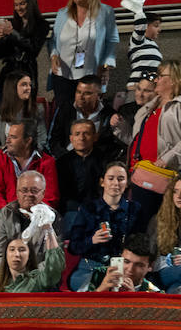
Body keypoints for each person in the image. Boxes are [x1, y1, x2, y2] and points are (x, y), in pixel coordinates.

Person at [129, 59, 181, 222]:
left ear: (176, 78)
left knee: (173, 225)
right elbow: (139, 139)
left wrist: (168, 158)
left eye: (160, 76)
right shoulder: (150, 106)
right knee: (142, 227)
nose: (156, 79)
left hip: (174, 178)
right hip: (143, 177)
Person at [47, 0, 117, 118]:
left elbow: (112, 40)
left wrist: (106, 66)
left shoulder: (106, 12)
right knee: (65, 115)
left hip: (91, 74)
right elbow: (53, 40)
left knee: (87, 115)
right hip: (62, 75)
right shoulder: (62, 13)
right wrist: (53, 55)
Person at [67, 161, 139, 291]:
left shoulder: (135, 209)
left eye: (121, 179)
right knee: (85, 288)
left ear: (127, 183)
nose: (116, 183)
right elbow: (73, 247)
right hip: (90, 267)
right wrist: (92, 240)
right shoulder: (88, 208)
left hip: (123, 268)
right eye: (111, 178)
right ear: (102, 182)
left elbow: (140, 244)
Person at [0, 170, 63, 277]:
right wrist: (12, 273)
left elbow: (53, 259)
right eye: (24, 190)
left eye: (34, 191)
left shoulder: (52, 217)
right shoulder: (5, 214)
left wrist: (30, 277)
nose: (29, 195)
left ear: (43, 193)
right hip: (8, 274)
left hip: (39, 278)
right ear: (17, 193)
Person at [0, 119, 58, 217]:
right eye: (8, 136)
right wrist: (9, 216)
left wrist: (33, 216)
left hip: (37, 218)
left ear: (28, 141)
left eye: (13, 137)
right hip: (5, 217)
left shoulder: (47, 162)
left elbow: (50, 197)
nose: (7, 141)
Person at [0, 0, 48, 85]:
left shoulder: (42, 25)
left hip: (27, 73)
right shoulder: (12, 24)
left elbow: (33, 48)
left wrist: (12, 33)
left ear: (31, 3)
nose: (18, 8)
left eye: (22, 4)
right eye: (16, 5)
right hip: (8, 75)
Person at [0, 227, 65, 292]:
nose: (17, 254)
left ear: (29, 255)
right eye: (12, 249)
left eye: (22, 250)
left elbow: (54, 267)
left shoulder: (38, 280)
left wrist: (49, 230)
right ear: (6, 254)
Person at [56, 120, 108, 215]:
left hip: (98, 210)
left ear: (95, 137)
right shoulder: (61, 163)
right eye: (77, 134)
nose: (81, 138)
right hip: (70, 211)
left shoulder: (105, 160)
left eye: (86, 134)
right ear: (71, 138)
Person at [0, 71, 47, 151]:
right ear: (12, 88)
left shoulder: (37, 109)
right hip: (4, 156)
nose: (29, 88)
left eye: (29, 85)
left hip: (29, 156)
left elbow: (42, 141)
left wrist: (28, 154)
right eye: (24, 84)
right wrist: (4, 151)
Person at [83, 232, 161, 292]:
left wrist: (134, 300)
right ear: (120, 257)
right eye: (126, 261)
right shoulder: (98, 275)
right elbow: (80, 307)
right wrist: (101, 290)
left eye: (139, 265)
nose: (130, 269)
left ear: (150, 266)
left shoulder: (155, 294)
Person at [119, 0, 162, 86]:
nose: (159, 29)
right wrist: (138, 10)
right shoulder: (137, 40)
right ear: (146, 26)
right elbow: (140, 25)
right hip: (136, 86)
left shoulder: (153, 45)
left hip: (150, 87)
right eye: (156, 25)